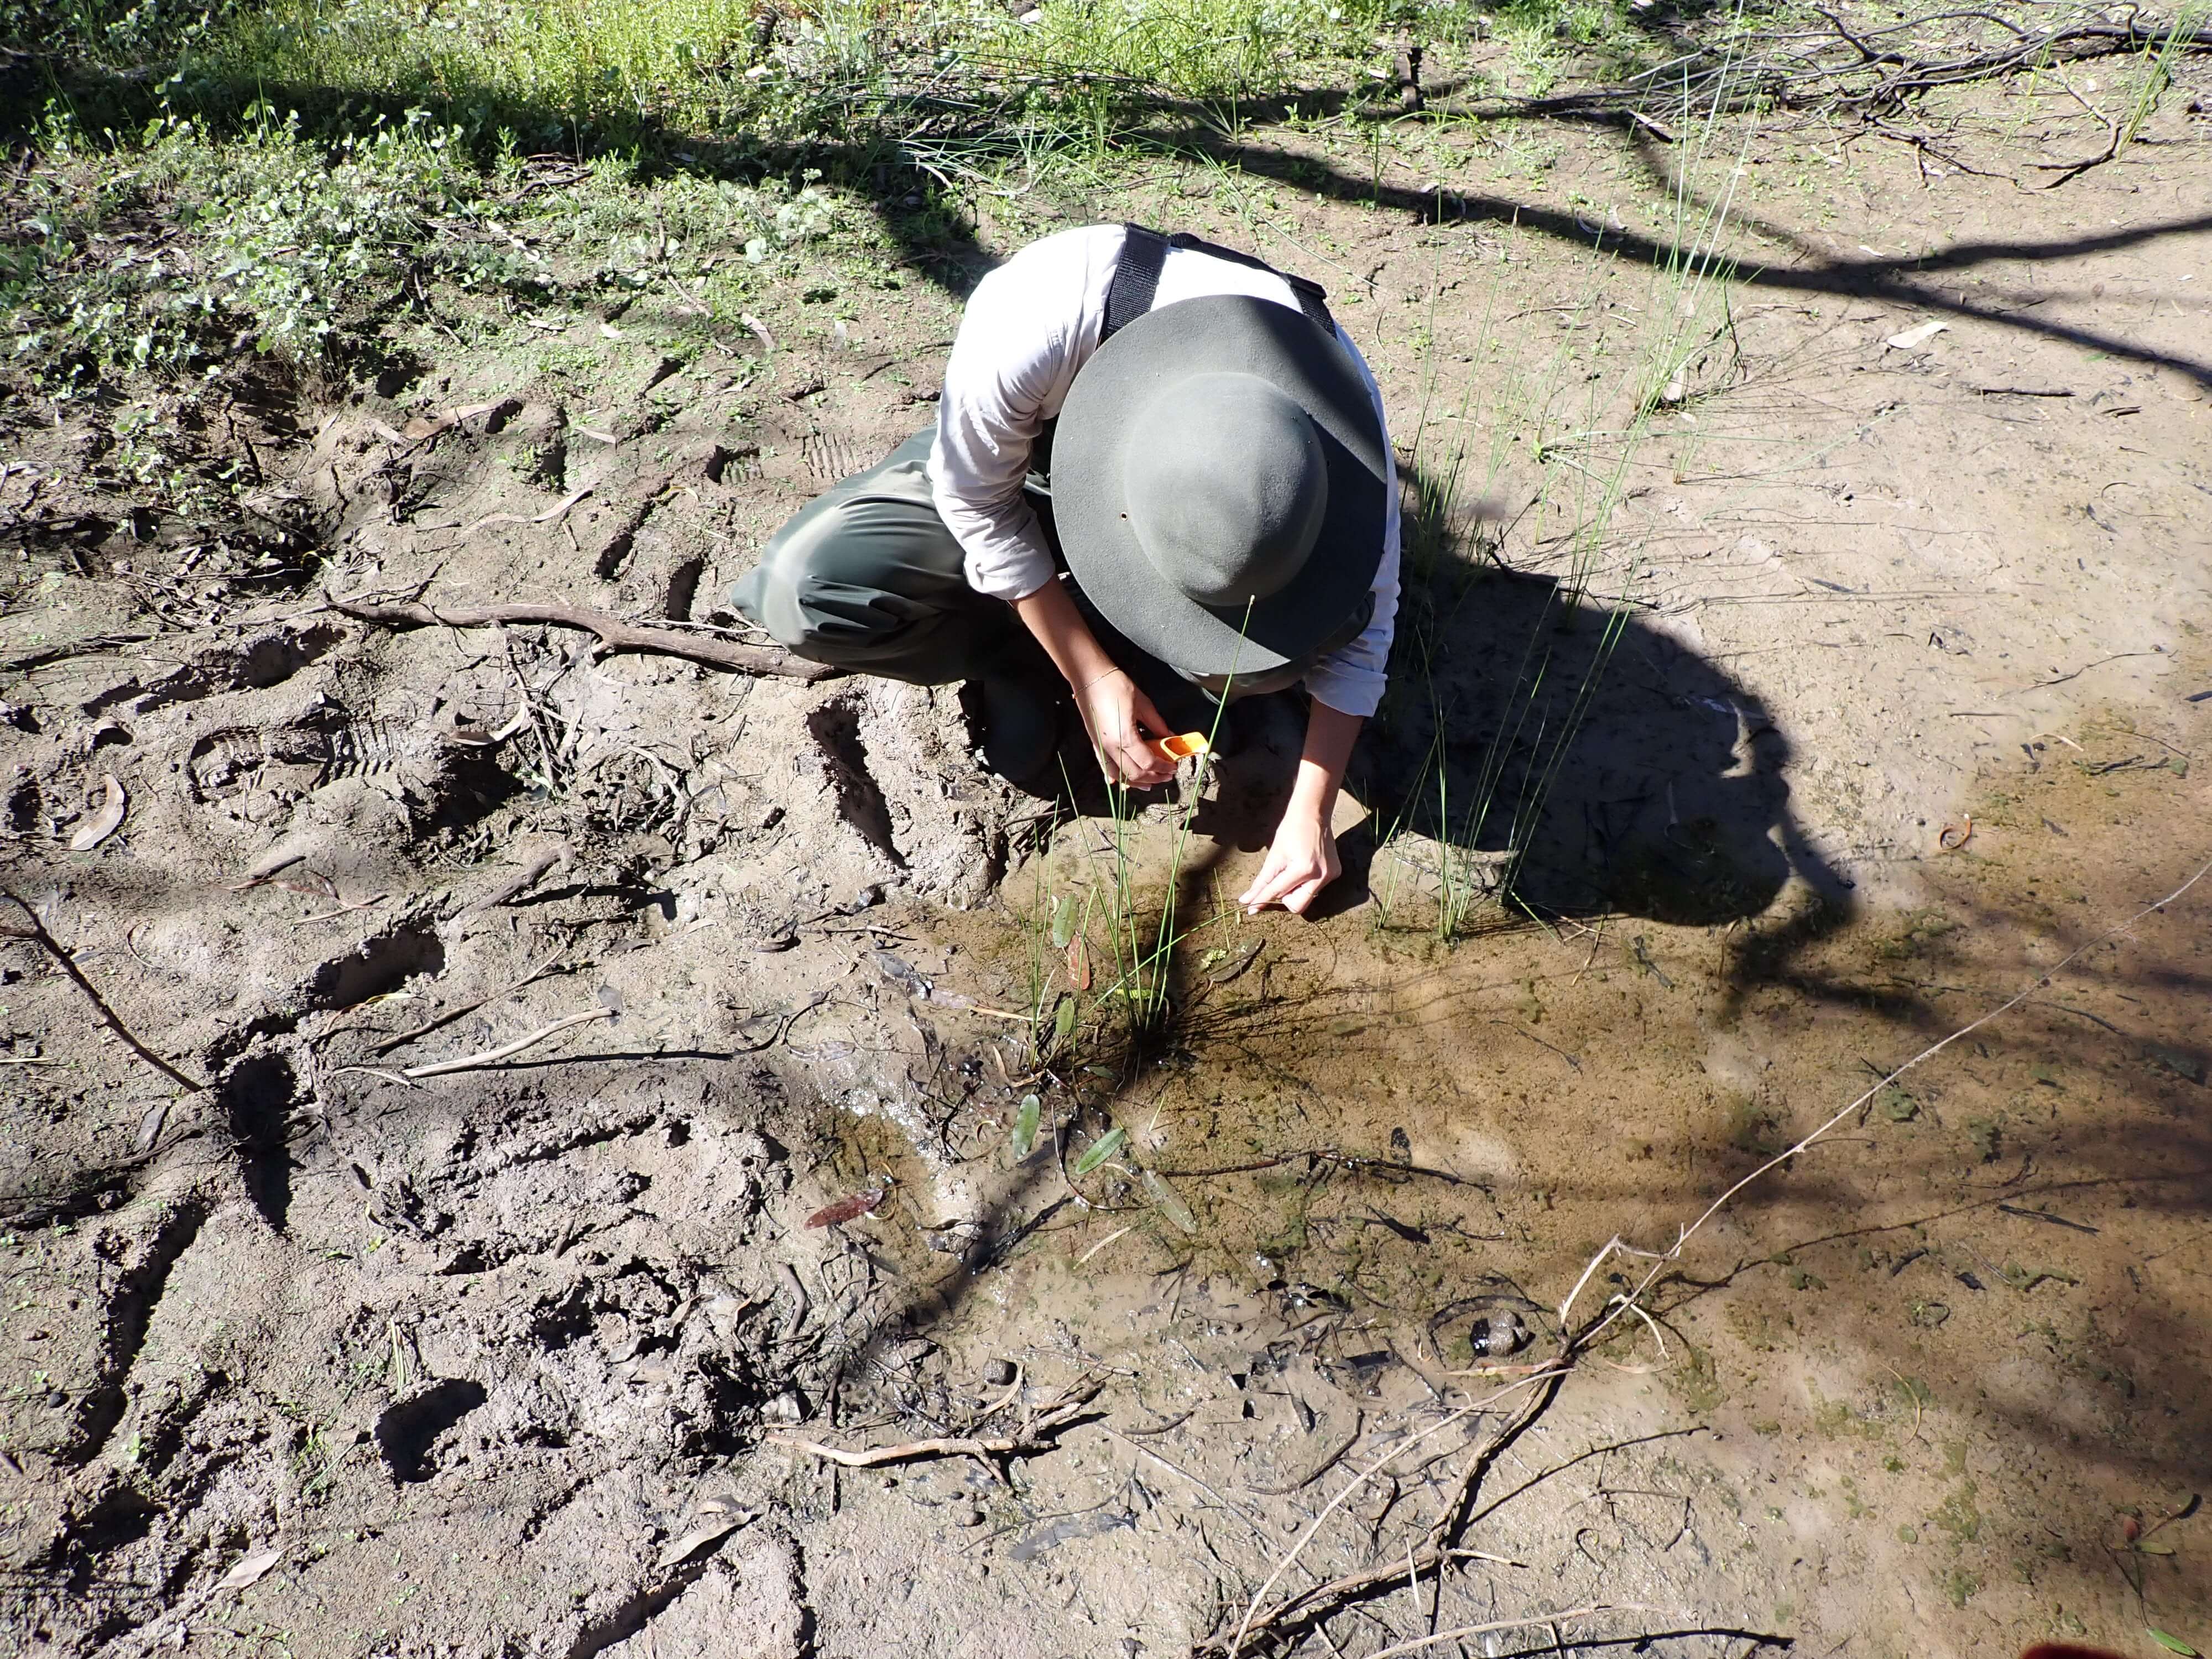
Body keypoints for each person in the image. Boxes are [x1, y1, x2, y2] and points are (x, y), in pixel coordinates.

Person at [731, 223, 1399, 916]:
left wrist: (1311, 813)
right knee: (806, 590)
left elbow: (1363, 636)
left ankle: (1157, 652)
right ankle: (1031, 654)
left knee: (1273, 656)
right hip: (1027, 477)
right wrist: (1089, 675)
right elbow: (975, 503)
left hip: (1200, 534)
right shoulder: (1035, 322)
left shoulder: (1345, 434)